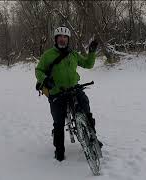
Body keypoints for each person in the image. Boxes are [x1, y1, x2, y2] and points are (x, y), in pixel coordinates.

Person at [35, 26, 101, 162]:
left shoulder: (73, 54)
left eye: (65, 37)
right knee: (58, 122)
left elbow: (88, 64)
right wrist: (45, 80)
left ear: (68, 39)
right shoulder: (48, 55)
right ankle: (59, 149)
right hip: (57, 93)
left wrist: (92, 52)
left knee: (86, 110)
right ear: (55, 39)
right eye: (60, 37)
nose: (62, 39)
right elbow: (39, 71)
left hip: (73, 88)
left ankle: (92, 138)